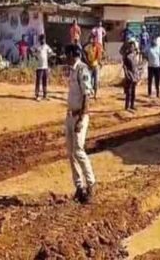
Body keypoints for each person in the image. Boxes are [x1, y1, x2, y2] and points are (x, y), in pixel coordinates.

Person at [63, 45, 96, 204]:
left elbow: (87, 96)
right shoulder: (72, 70)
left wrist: (81, 119)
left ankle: (91, 184)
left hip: (78, 117)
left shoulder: (82, 70)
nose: (65, 57)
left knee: (79, 150)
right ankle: (79, 187)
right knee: (71, 152)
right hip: (70, 115)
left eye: (66, 54)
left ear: (72, 54)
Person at [32, 34, 53, 101]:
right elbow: (32, 51)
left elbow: (51, 52)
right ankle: (37, 95)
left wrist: (48, 57)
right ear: (40, 40)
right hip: (39, 67)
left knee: (45, 81)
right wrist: (35, 56)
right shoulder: (37, 46)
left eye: (44, 39)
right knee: (38, 81)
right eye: (42, 39)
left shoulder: (46, 46)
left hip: (45, 67)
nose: (43, 40)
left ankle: (45, 95)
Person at [122, 38, 140, 111]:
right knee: (128, 92)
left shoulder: (134, 55)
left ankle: (132, 105)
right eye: (130, 47)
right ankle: (127, 107)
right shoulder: (127, 56)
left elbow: (136, 65)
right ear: (129, 48)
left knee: (133, 92)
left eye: (133, 47)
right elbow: (124, 67)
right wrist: (127, 75)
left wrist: (138, 74)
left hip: (135, 75)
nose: (132, 48)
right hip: (129, 76)